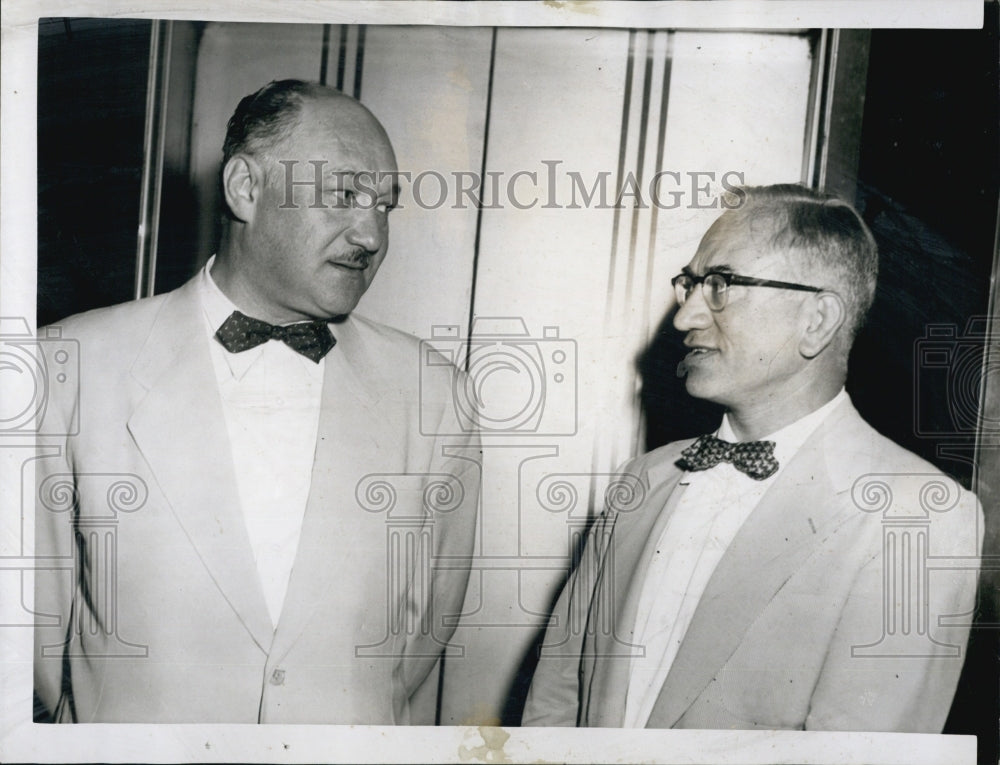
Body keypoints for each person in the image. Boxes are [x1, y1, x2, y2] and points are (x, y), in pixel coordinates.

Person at [33, 79, 479, 724]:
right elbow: (31, 635)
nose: (372, 234)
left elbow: (422, 634)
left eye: (385, 205)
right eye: (344, 195)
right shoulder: (68, 365)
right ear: (246, 188)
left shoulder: (435, 392)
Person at [522, 184, 982, 731]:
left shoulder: (919, 516)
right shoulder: (642, 481)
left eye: (720, 285)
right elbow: (553, 709)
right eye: (690, 284)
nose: (683, 317)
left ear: (817, 319)